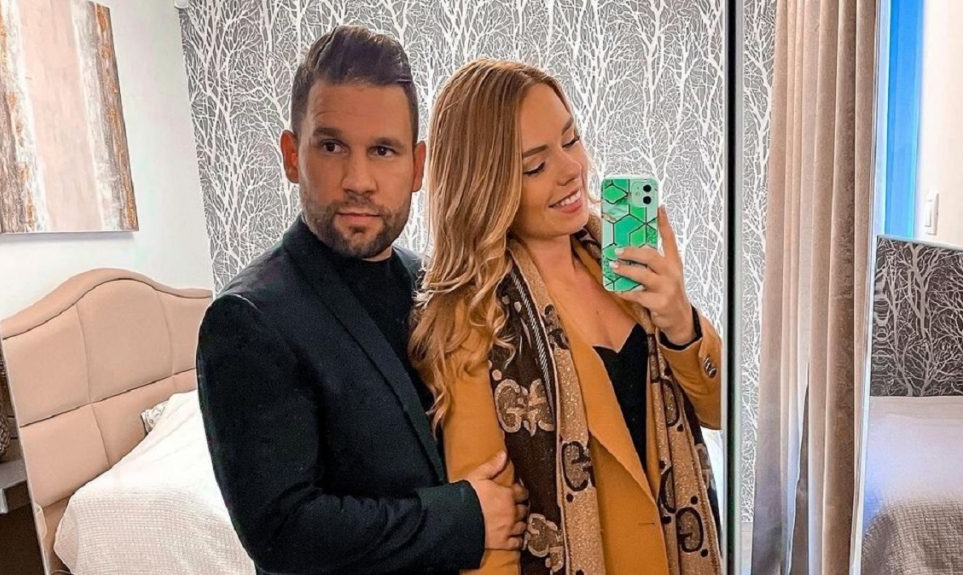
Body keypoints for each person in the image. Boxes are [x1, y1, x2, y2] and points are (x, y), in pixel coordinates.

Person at [196, 28, 527, 575]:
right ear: (292, 156)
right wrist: (464, 517)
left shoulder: (435, 285)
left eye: (383, 150)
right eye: (331, 147)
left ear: (417, 167)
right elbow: (283, 531)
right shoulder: (248, 318)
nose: (359, 180)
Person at [410, 59, 723, 574]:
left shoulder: (623, 266)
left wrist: (679, 322)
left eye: (571, 139)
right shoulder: (474, 321)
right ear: (487, 187)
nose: (571, 168)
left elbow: (719, 411)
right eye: (535, 166)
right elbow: (493, 539)